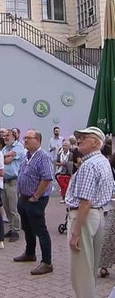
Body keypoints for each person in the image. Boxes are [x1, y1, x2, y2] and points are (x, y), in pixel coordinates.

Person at [65, 126, 113, 298]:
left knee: (81, 272)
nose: (80, 139)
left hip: (84, 216)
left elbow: (85, 201)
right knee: (90, 268)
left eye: (84, 137)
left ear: (95, 142)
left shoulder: (89, 165)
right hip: (99, 215)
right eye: (79, 136)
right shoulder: (103, 161)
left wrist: (76, 232)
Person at [15, 129, 54, 275]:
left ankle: (47, 262)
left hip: (35, 199)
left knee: (40, 230)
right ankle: (30, 253)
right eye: (24, 138)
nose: (25, 140)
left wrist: (36, 196)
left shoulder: (43, 157)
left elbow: (47, 178)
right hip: (24, 198)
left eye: (28, 138)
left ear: (37, 140)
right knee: (27, 227)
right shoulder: (27, 156)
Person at [2, 129, 25, 241]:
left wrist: (4, 157)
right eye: (4, 136)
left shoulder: (19, 147)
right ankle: (11, 227)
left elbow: (8, 159)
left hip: (13, 181)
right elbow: (4, 159)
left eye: (8, 135)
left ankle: (16, 230)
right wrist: (5, 157)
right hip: (4, 181)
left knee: (13, 208)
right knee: (6, 207)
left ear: (14, 136)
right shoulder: (5, 148)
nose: (5, 137)